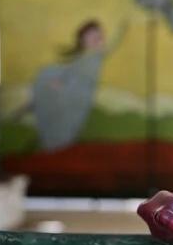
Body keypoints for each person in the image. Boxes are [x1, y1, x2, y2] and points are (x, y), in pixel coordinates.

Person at [20, 19, 124, 151]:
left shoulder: (99, 54)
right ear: (82, 41)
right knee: (47, 77)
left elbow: (114, 42)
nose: (96, 38)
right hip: (72, 90)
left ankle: (58, 143)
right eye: (91, 36)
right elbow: (70, 71)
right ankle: (51, 141)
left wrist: (122, 27)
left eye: (98, 35)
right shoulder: (81, 57)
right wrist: (59, 82)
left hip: (81, 93)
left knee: (71, 120)